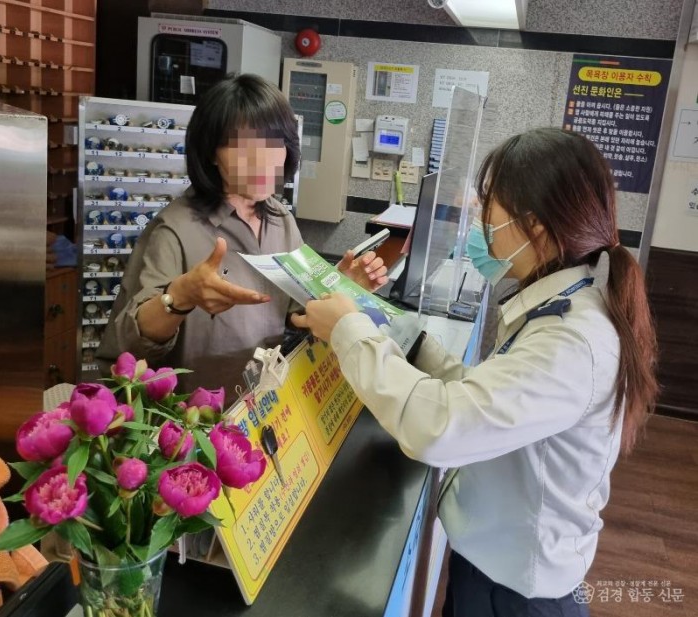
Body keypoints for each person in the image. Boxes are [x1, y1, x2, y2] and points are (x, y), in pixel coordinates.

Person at [292, 128, 658, 616]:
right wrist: (410, 342)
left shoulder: (572, 341)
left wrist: (348, 330)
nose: (481, 222)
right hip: (497, 568)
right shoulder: (567, 302)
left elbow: (441, 427)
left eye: (490, 206)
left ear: (537, 227)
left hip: (515, 594)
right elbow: (490, 397)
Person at [97, 73, 387, 399]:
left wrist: (342, 288)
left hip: (262, 406)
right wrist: (179, 297)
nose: (262, 160)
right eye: (242, 146)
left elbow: (297, 315)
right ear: (211, 153)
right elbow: (129, 346)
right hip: (196, 422)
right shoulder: (175, 229)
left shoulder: (280, 219)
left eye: (273, 144)